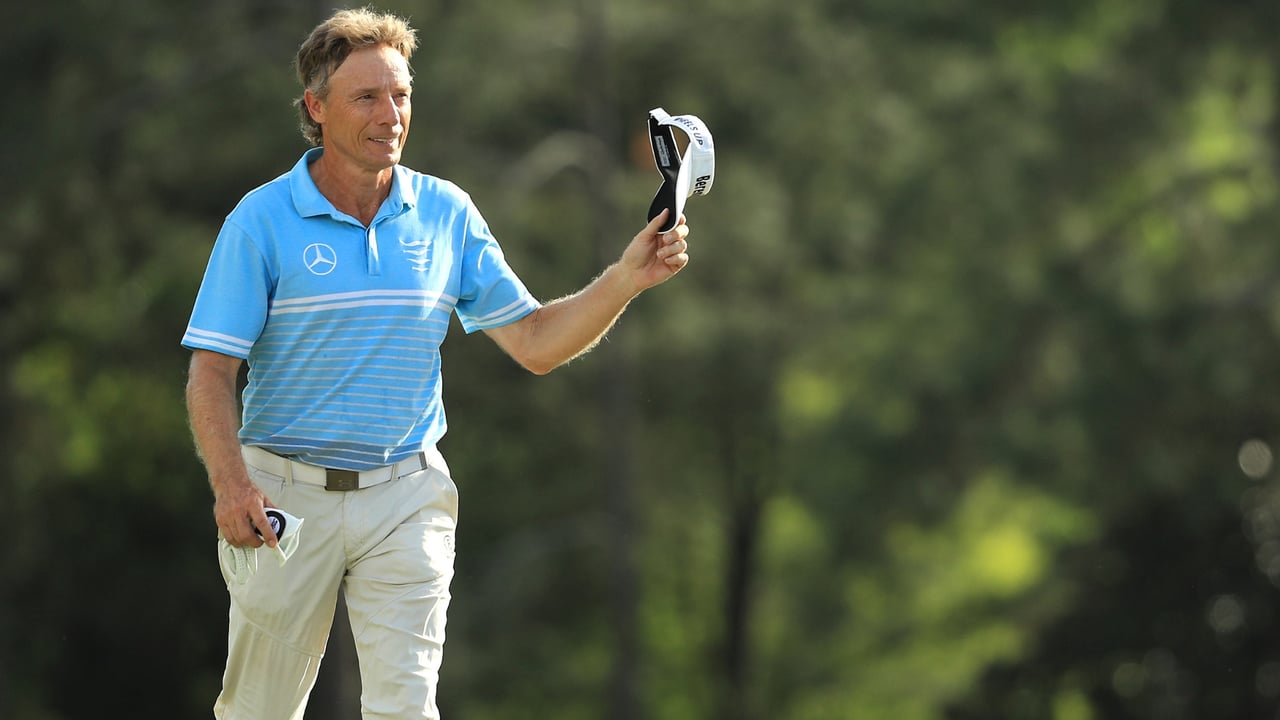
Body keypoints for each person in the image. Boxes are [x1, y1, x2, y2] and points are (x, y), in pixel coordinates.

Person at [182, 7, 691, 720]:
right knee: (260, 710)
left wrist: (625, 279)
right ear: (316, 107)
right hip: (281, 497)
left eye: (401, 94)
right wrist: (232, 486)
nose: (390, 114)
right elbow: (211, 372)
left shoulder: (445, 212)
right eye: (367, 97)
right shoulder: (260, 221)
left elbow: (537, 342)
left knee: (407, 707)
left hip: (406, 494)